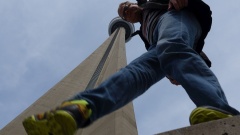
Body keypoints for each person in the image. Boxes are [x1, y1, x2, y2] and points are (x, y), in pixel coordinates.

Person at [22, 0, 240, 135]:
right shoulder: (145, 30)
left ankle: (217, 108)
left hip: (176, 17)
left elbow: (180, 36)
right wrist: (175, 63)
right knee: (136, 72)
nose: (127, 13)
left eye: (127, 7)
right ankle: (82, 108)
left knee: (171, 46)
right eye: (124, 13)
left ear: (136, 3)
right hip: (159, 43)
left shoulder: (154, 3)